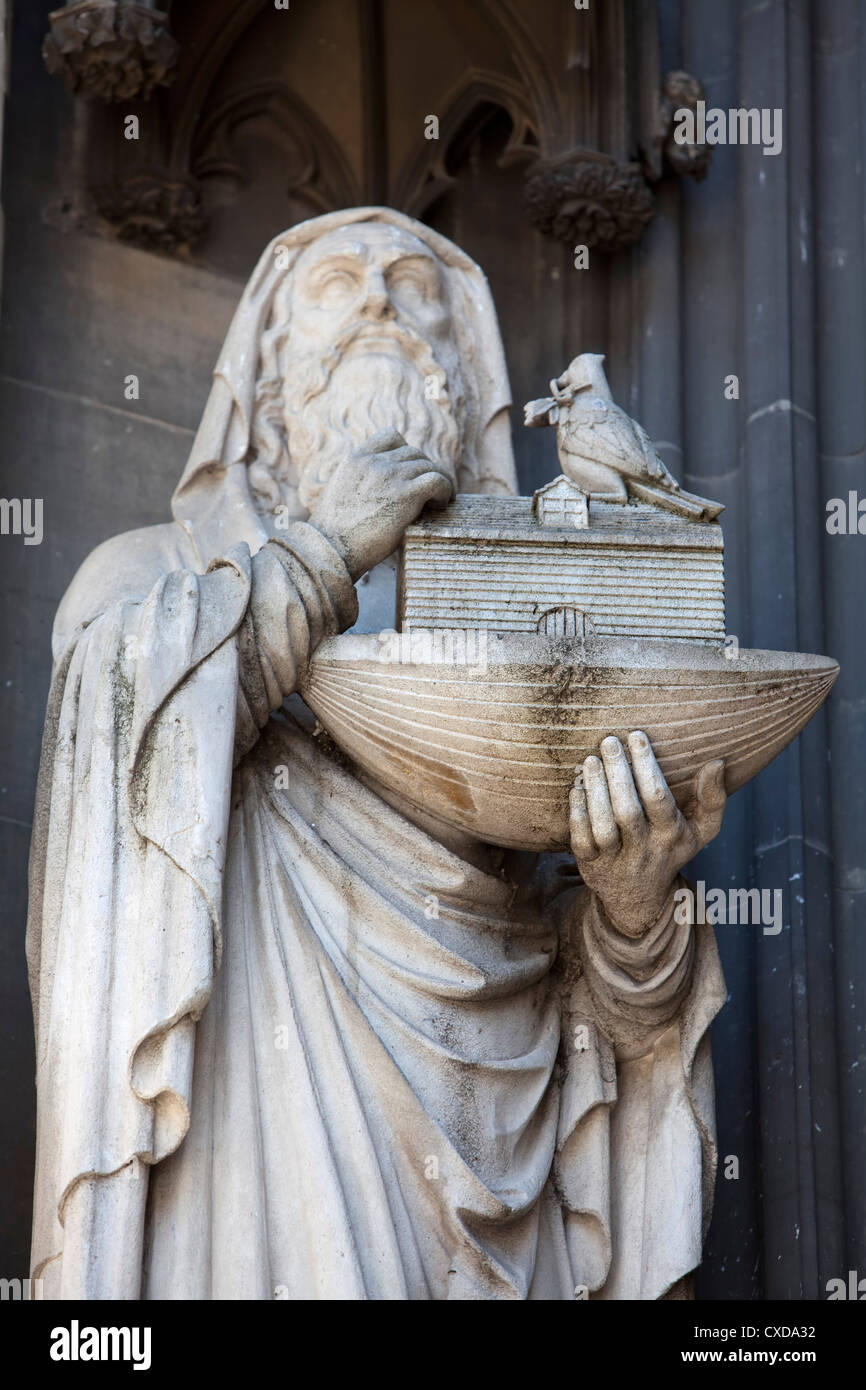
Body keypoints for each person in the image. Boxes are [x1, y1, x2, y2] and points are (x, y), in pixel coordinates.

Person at [28, 207, 726, 1300]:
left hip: (505, 1158)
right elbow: (110, 799)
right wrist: (317, 560)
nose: (375, 303)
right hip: (251, 1154)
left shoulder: (546, 625)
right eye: (333, 287)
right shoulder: (144, 584)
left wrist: (634, 921)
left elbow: (608, 1036)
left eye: (412, 288)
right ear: (264, 378)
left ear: (462, 374)